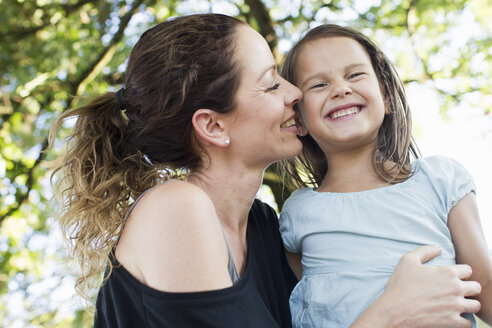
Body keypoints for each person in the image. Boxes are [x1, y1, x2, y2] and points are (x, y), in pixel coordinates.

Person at [49, 14, 482, 327]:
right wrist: (392, 313)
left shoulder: (264, 227)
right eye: (272, 82)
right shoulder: (176, 210)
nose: (295, 93)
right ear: (214, 126)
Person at [279, 23, 492, 328]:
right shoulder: (298, 213)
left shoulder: (439, 180)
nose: (341, 89)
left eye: (354, 75)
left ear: (387, 97)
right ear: (298, 119)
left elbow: (483, 282)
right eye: (319, 85)